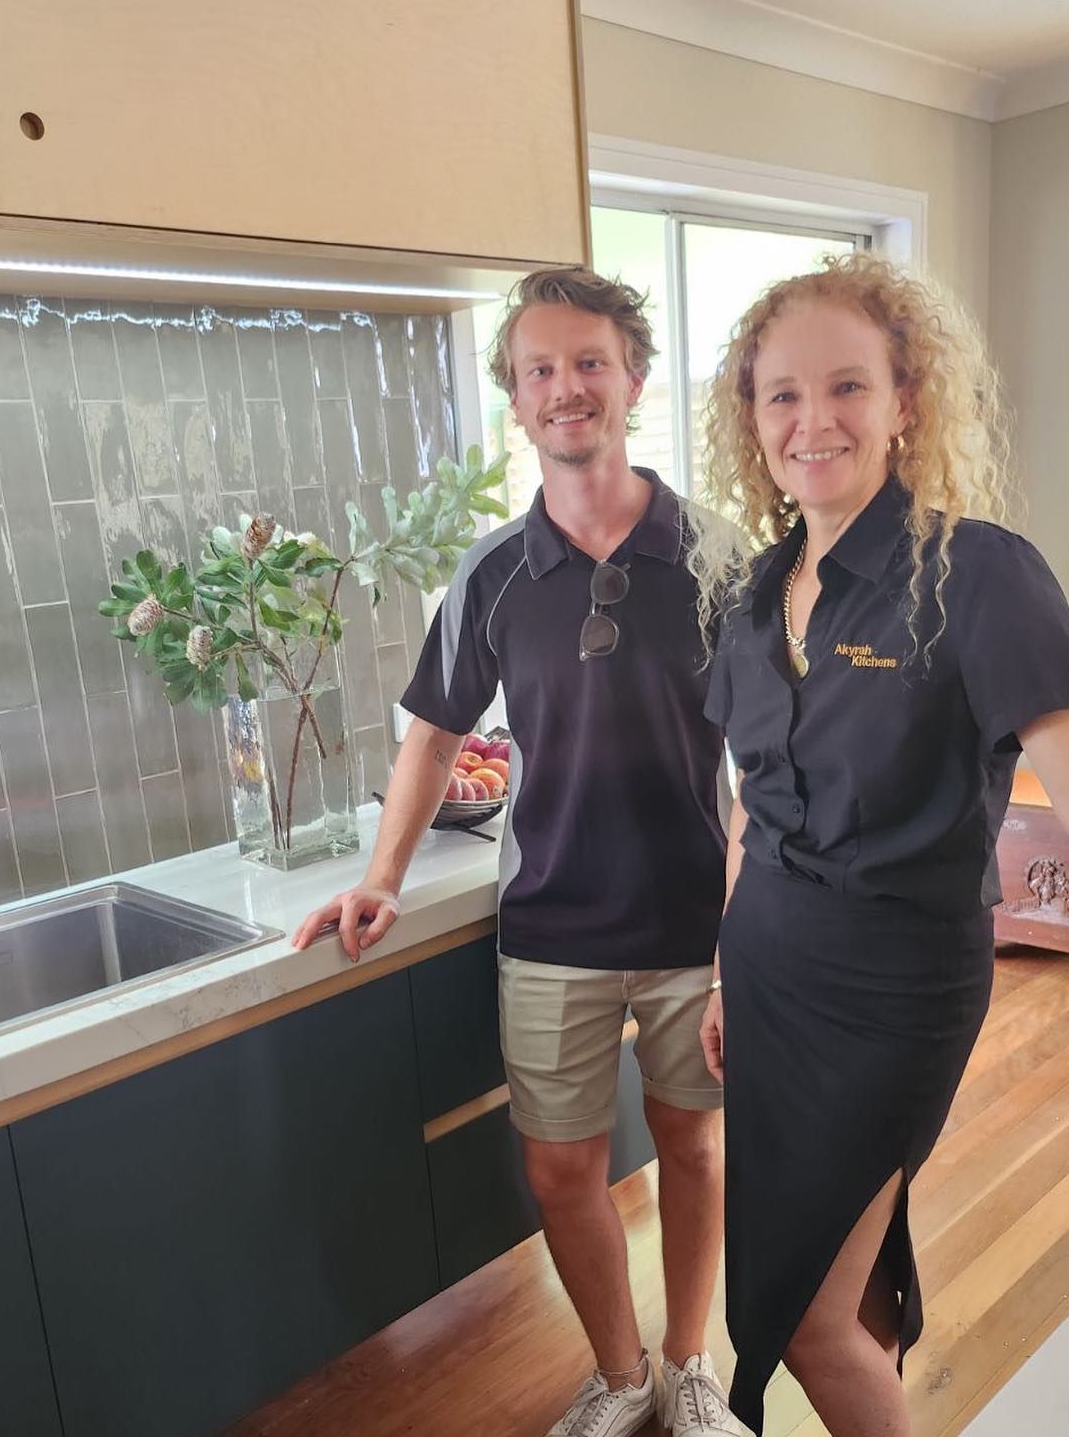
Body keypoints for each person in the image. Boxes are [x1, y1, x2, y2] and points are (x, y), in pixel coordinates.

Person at [688, 252, 1069, 1437]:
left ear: (906, 400)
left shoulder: (976, 573)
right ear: (750, 423)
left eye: (847, 387)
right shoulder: (753, 597)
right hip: (766, 973)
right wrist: (717, 971)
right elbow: (755, 803)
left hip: (893, 991)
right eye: (782, 396)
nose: (813, 422)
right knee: (840, 1280)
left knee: (804, 1318)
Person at [295, 267, 743, 1436]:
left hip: (699, 920)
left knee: (694, 1148)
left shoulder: (718, 556)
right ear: (515, 398)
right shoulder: (492, 572)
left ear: (632, 377)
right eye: (539, 369)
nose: (565, 388)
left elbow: (770, 758)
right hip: (550, 919)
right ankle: (619, 1373)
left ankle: (690, 1363)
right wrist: (381, 876)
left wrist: (751, 922)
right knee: (559, 1169)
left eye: (588, 361)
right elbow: (434, 735)